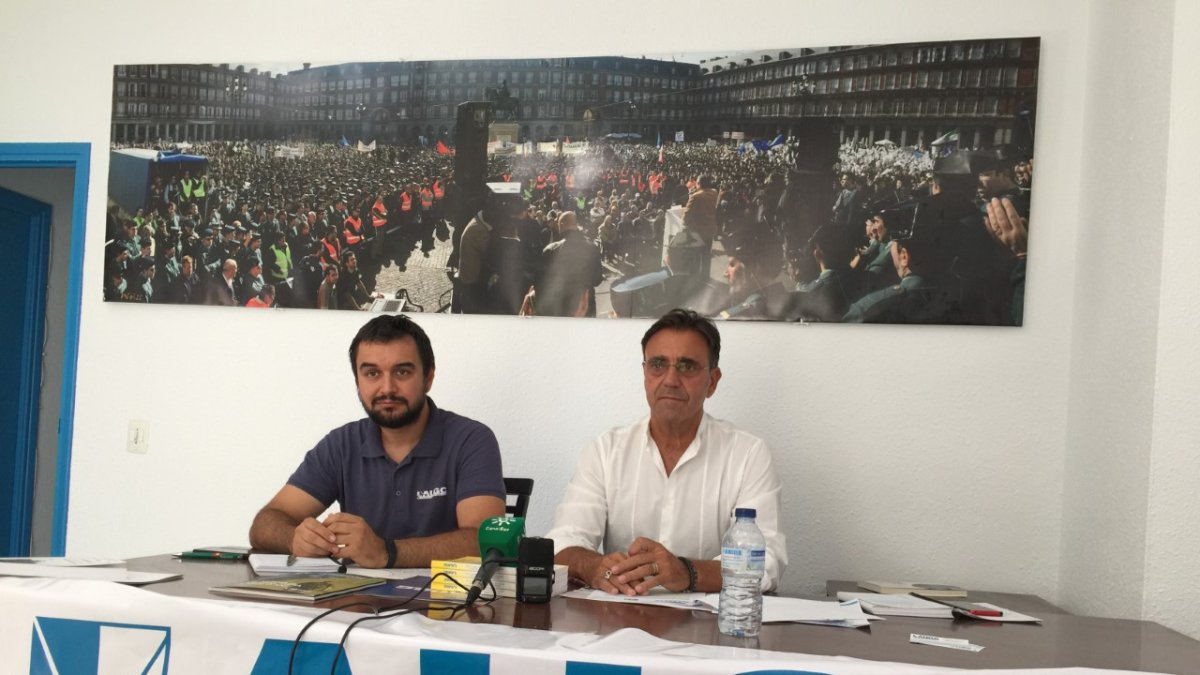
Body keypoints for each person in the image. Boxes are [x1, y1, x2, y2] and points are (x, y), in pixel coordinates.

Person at [546, 309, 786, 595]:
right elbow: (561, 543)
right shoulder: (605, 450)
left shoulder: (748, 454)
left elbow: (765, 560)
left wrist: (686, 572)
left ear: (712, 381)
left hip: (710, 627)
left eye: (687, 366)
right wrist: (594, 567)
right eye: (658, 364)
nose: (670, 379)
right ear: (645, 373)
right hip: (623, 619)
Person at [248, 315, 507, 568]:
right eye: (372, 373)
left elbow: (483, 541)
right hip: (355, 604)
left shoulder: (471, 440)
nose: (387, 388)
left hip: (447, 605)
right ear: (358, 382)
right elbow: (265, 523)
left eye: (402, 372)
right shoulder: (341, 444)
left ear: (428, 378)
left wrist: (386, 552)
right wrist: (295, 539)